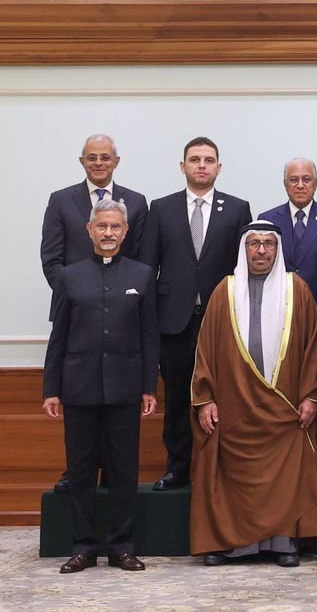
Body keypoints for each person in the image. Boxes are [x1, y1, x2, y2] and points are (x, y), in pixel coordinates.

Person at [189, 224, 317, 568]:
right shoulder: (224, 291)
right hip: (233, 405)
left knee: (285, 472)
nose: (262, 250)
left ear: (278, 249)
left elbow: (313, 347)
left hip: (285, 406)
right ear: (245, 249)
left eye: (268, 244)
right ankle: (232, 545)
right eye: (254, 244)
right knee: (231, 475)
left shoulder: (297, 290)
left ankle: (283, 542)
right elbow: (205, 350)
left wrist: (311, 396)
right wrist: (206, 399)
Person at [42, 197, 157, 574]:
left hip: (126, 387)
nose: (108, 233)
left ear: (125, 232)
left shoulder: (142, 275)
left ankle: (122, 546)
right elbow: (59, 336)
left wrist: (149, 387)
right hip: (79, 387)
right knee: (80, 470)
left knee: (124, 470)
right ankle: (84, 546)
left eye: (115, 227)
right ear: (89, 230)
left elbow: (149, 336)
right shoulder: (69, 276)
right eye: (102, 226)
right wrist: (51, 389)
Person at [138, 137, 253, 490]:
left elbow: (245, 270)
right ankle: (177, 468)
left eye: (208, 160)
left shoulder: (238, 209)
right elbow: (147, 268)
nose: (201, 165)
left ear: (219, 166)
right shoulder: (161, 208)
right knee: (177, 398)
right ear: (182, 166)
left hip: (222, 322)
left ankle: (222, 469)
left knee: (226, 396)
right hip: (174, 322)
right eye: (195, 159)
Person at [40, 134, 148, 493]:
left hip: (123, 322)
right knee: (82, 435)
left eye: (105, 157)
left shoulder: (136, 202)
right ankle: (80, 477)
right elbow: (51, 257)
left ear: (116, 161)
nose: (99, 162)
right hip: (78, 316)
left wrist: (115, 295)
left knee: (120, 440)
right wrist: (79, 292)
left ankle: (113, 485)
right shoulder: (61, 200)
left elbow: (140, 259)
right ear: (82, 161)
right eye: (92, 157)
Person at [261, 157, 317, 475]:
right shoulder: (267, 218)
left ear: (316, 183)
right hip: (278, 323)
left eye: (306, 179)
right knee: (281, 393)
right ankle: (282, 468)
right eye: (294, 179)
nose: (300, 185)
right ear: (285, 184)